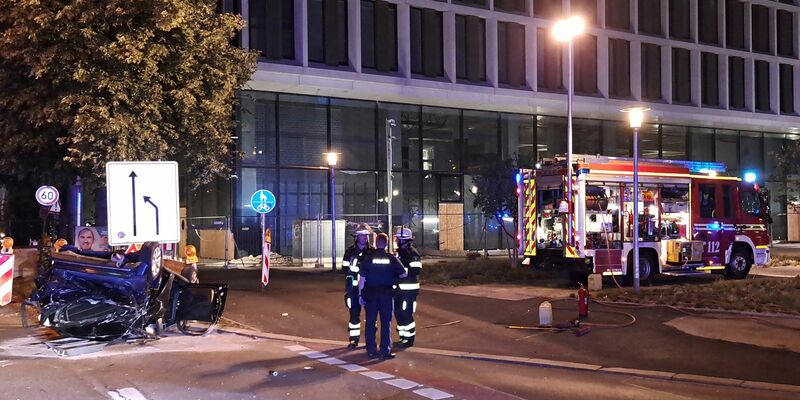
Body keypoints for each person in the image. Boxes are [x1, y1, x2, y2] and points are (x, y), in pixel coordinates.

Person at [358, 233, 407, 359]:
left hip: (371, 294)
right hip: (386, 295)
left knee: (370, 322)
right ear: (386, 244)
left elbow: (362, 279)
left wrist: (360, 294)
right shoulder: (391, 258)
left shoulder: (369, 258)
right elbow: (403, 274)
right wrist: (392, 277)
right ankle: (385, 350)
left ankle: (371, 350)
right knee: (386, 323)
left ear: (375, 243)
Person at [342, 223, 374, 349]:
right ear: (357, 237)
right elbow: (344, 268)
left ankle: (370, 340)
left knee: (371, 315)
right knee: (354, 315)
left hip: (369, 289)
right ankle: (353, 340)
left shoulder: (372, 252)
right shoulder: (350, 252)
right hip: (353, 289)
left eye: (366, 235)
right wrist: (356, 271)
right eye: (362, 236)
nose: (365, 238)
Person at [393, 227, 422, 347]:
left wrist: (399, 271)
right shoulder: (400, 253)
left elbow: (415, 270)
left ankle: (409, 339)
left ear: (403, 240)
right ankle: (403, 336)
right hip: (399, 289)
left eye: (398, 239)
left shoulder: (412, 253)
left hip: (409, 290)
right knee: (399, 313)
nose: (396, 241)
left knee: (406, 314)